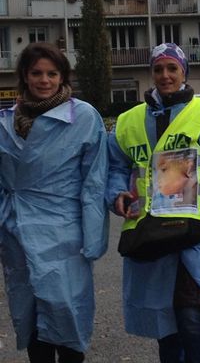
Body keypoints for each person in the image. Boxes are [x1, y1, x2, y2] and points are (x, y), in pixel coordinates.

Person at [106, 43, 200, 363]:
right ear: (151, 73)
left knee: (191, 317)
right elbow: (113, 165)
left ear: (185, 72)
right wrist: (117, 193)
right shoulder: (128, 122)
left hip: (196, 236)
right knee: (166, 325)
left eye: (172, 68)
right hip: (150, 233)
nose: (165, 76)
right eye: (158, 69)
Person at [0, 42, 108, 362]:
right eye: (36, 73)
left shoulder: (84, 117)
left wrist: (93, 237)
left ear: (63, 77)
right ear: (24, 76)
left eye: (52, 73)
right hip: (17, 231)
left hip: (65, 232)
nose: (44, 80)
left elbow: (94, 180)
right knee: (31, 315)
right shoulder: (5, 122)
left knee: (67, 312)